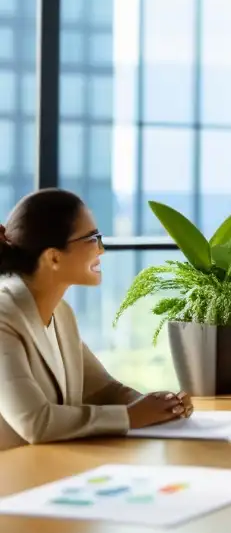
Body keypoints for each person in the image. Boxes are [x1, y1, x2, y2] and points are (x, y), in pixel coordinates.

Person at [0, 189, 192, 452]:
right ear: (53, 257)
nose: (101, 249)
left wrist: (161, 405)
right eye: (92, 239)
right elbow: (35, 422)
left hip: (50, 469)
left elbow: (101, 389)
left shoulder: (61, 312)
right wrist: (132, 416)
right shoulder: (4, 316)